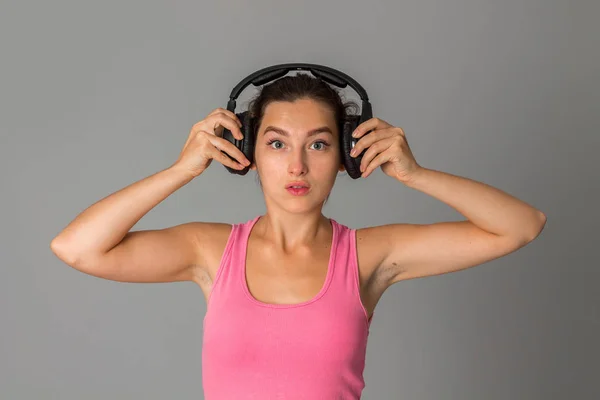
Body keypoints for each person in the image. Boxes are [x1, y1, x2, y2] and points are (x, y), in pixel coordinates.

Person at [50, 73, 547, 399]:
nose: (297, 165)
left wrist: (414, 174)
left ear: (348, 156)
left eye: (319, 143)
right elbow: (76, 247)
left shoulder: (370, 255)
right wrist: (182, 170)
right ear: (247, 150)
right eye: (276, 142)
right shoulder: (210, 250)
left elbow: (522, 225)